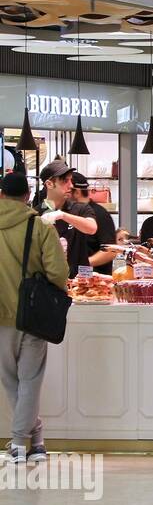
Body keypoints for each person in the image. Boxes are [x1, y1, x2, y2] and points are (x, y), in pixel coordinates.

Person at [0, 171, 69, 464]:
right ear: (28, 196)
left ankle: (29, 441)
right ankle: (27, 441)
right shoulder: (39, 226)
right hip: (34, 315)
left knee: (10, 380)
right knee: (30, 380)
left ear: (1, 195)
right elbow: (58, 273)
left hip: (1, 316)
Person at [34, 161, 99, 260]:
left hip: (78, 274)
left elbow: (92, 228)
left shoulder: (81, 208)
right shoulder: (35, 214)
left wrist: (63, 215)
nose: (71, 186)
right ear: (49, 184)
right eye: (65, 181)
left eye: (71, 180)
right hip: (48, 273)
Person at [69, 172, 116, 275]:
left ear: (76, 192)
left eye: (67, 190)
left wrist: (81, 264)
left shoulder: (100, 214)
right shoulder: (68, 213)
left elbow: (111, 251)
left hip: (96, 282)